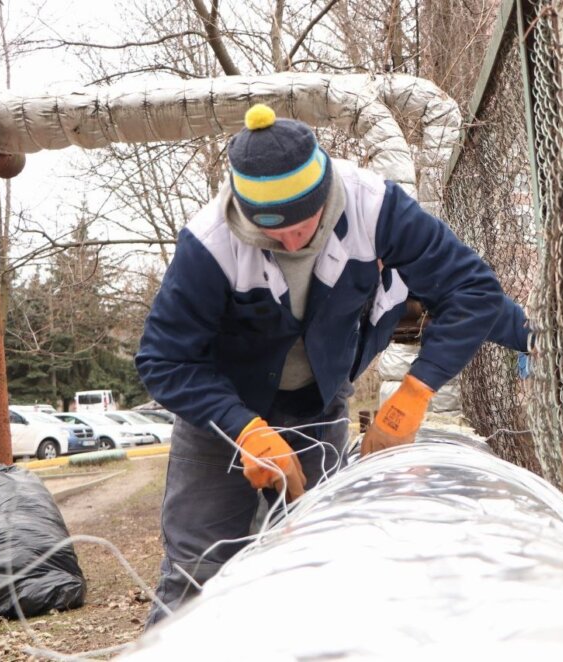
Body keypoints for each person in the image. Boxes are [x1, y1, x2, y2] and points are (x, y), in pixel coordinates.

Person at [135, 104, 531, 626]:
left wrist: (413, 395)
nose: (293, 243)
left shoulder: (376, 207)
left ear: (327, 195)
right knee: (199, 568)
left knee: (314, 556)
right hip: (221, 415)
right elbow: (163, 360)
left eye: (305, 226)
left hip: (316, 408)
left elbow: (476, 293)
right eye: (274, 235)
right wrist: (243, 430)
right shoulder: (210, 241)